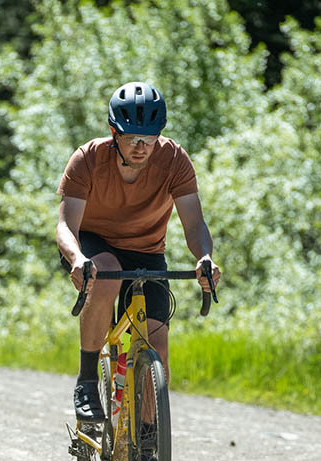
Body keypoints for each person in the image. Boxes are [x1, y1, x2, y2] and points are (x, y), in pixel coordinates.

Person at [56, 80, 221, 426]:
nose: (142, 146)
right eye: (133, 138)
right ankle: (87, 380)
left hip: (146, 252)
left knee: (157, 348)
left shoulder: (174, 159)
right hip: (92, 246)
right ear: (114, 133)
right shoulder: (87, 159)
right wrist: (77, 259)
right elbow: (66, 225)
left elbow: (194, 223)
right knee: (104, 273)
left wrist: (204, 258)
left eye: (150, 137)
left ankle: (147, 443)